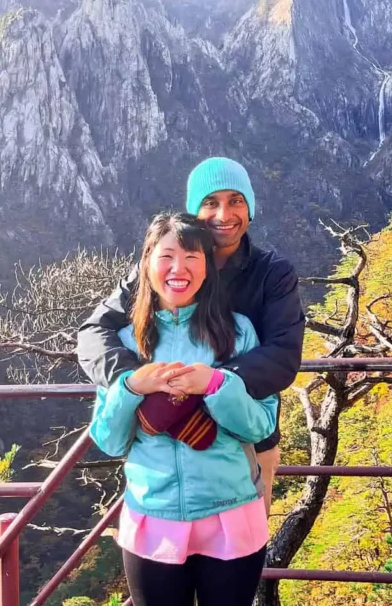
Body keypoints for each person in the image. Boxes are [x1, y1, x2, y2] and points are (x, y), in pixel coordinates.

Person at [78, 157, 305, 515]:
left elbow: (283, 356)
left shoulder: (271, 274)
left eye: (236, 201)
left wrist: (213, 384)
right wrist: (131, 380)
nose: (223, 214)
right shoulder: (159, 269)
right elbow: (94, 332)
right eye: (210, 203)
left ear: (250, 207)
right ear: (193, 211)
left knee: (245, 554)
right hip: (164, 454)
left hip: (247, 438)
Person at [89, 212, 277, 606]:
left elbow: (261, 425)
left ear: (208, 268)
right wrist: (131, 386)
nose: (179, 268)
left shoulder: (238, 332)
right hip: (153, 516)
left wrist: (215, 384)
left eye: (193, 257)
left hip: (230, 511)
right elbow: (108, 439)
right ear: (146, 264)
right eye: (167, 256)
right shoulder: (124, 342)